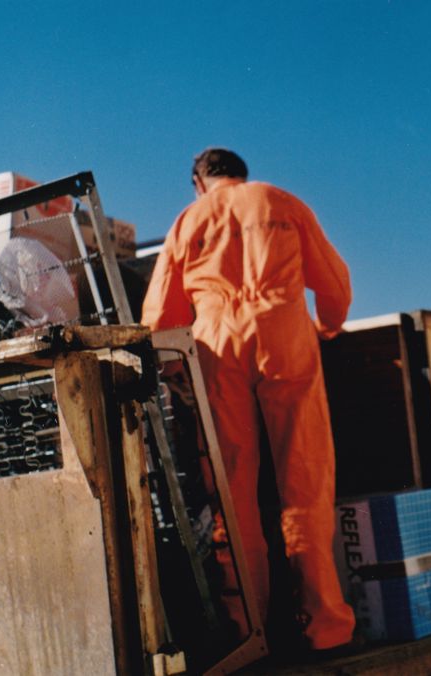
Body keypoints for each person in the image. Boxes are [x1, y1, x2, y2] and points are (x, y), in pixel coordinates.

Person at [141, 147, 355, 653]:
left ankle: (249, 630)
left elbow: (159, 317)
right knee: (304, 478)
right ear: (241, 174)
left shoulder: (188, 219)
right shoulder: (282, 202)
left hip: (217, 342)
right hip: (285, 333)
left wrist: (174, 372)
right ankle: (324, 628)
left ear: (199, 181)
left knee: (231, 487)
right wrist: (325, 327)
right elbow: (336, 285)